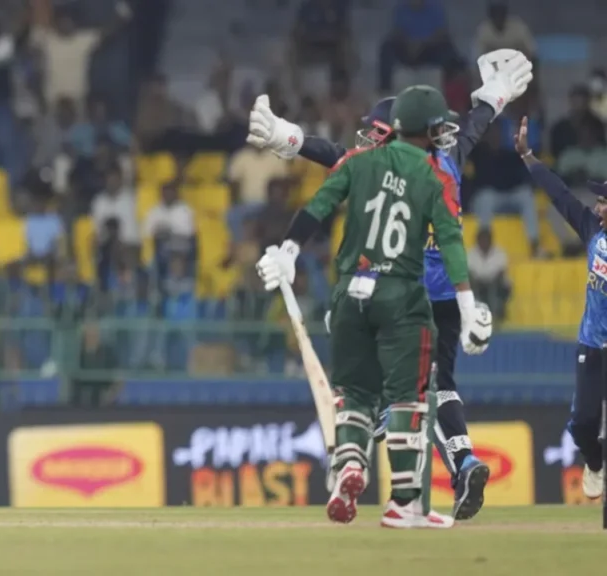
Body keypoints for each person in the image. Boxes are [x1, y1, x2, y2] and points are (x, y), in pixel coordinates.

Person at [247, 49, 533, 522]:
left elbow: (338, 163)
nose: (367, 139)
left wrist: (288, 140)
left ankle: (362, 466)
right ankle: (457, 466)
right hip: (438, 296)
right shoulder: (447, 164)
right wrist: (492, 99)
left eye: (375, 132)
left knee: (378, 393)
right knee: (435, 389)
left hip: (392, 291)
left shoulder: (379, 167)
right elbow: (472, 133)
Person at [515, 116, 607, 501]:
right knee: (584, 424)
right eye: (600, 201)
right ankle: (596, 461)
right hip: (592, 344)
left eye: (604, 200)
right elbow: (561, 196)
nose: (598, 206)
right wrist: (530, 158)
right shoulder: (592, 231)